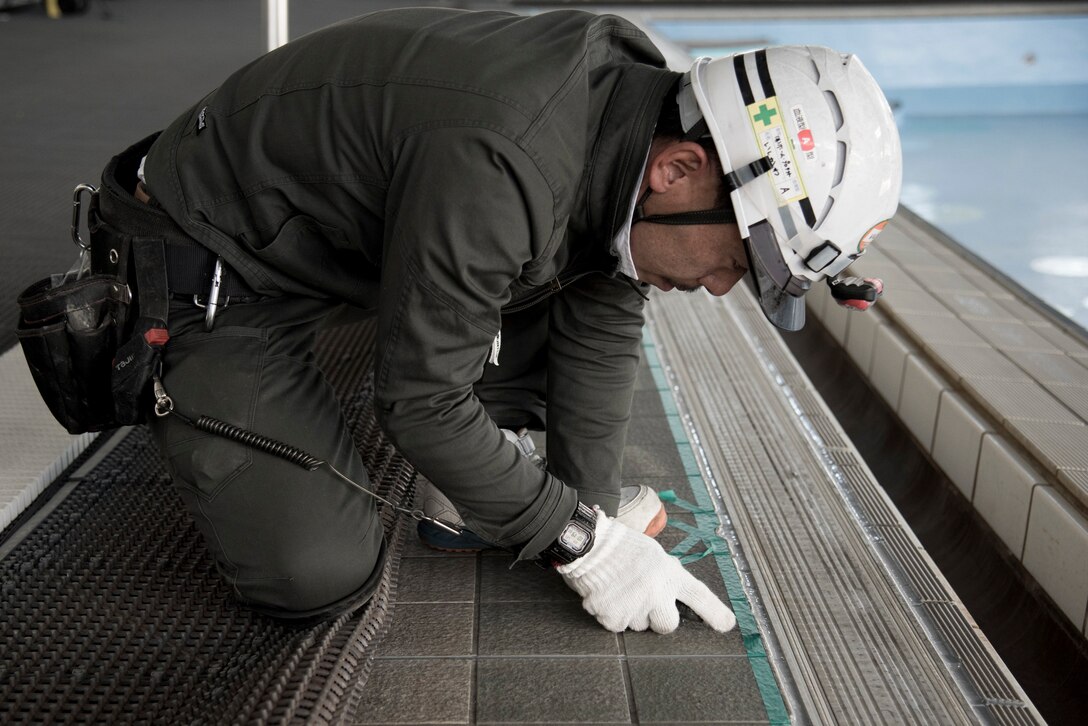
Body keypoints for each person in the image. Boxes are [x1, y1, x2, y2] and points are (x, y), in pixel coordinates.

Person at [91, 7, 901, 633]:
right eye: (741, 259)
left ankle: (482, 478)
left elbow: (604, 314)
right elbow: (418, 402)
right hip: (212, 255)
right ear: (681, 169)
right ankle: (194, 360)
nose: (726, 287)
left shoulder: (634, 110)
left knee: (563, 279)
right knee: (315, 573)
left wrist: (584, 511)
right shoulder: (505, 158)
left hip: (335, 230)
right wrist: (579, 543)